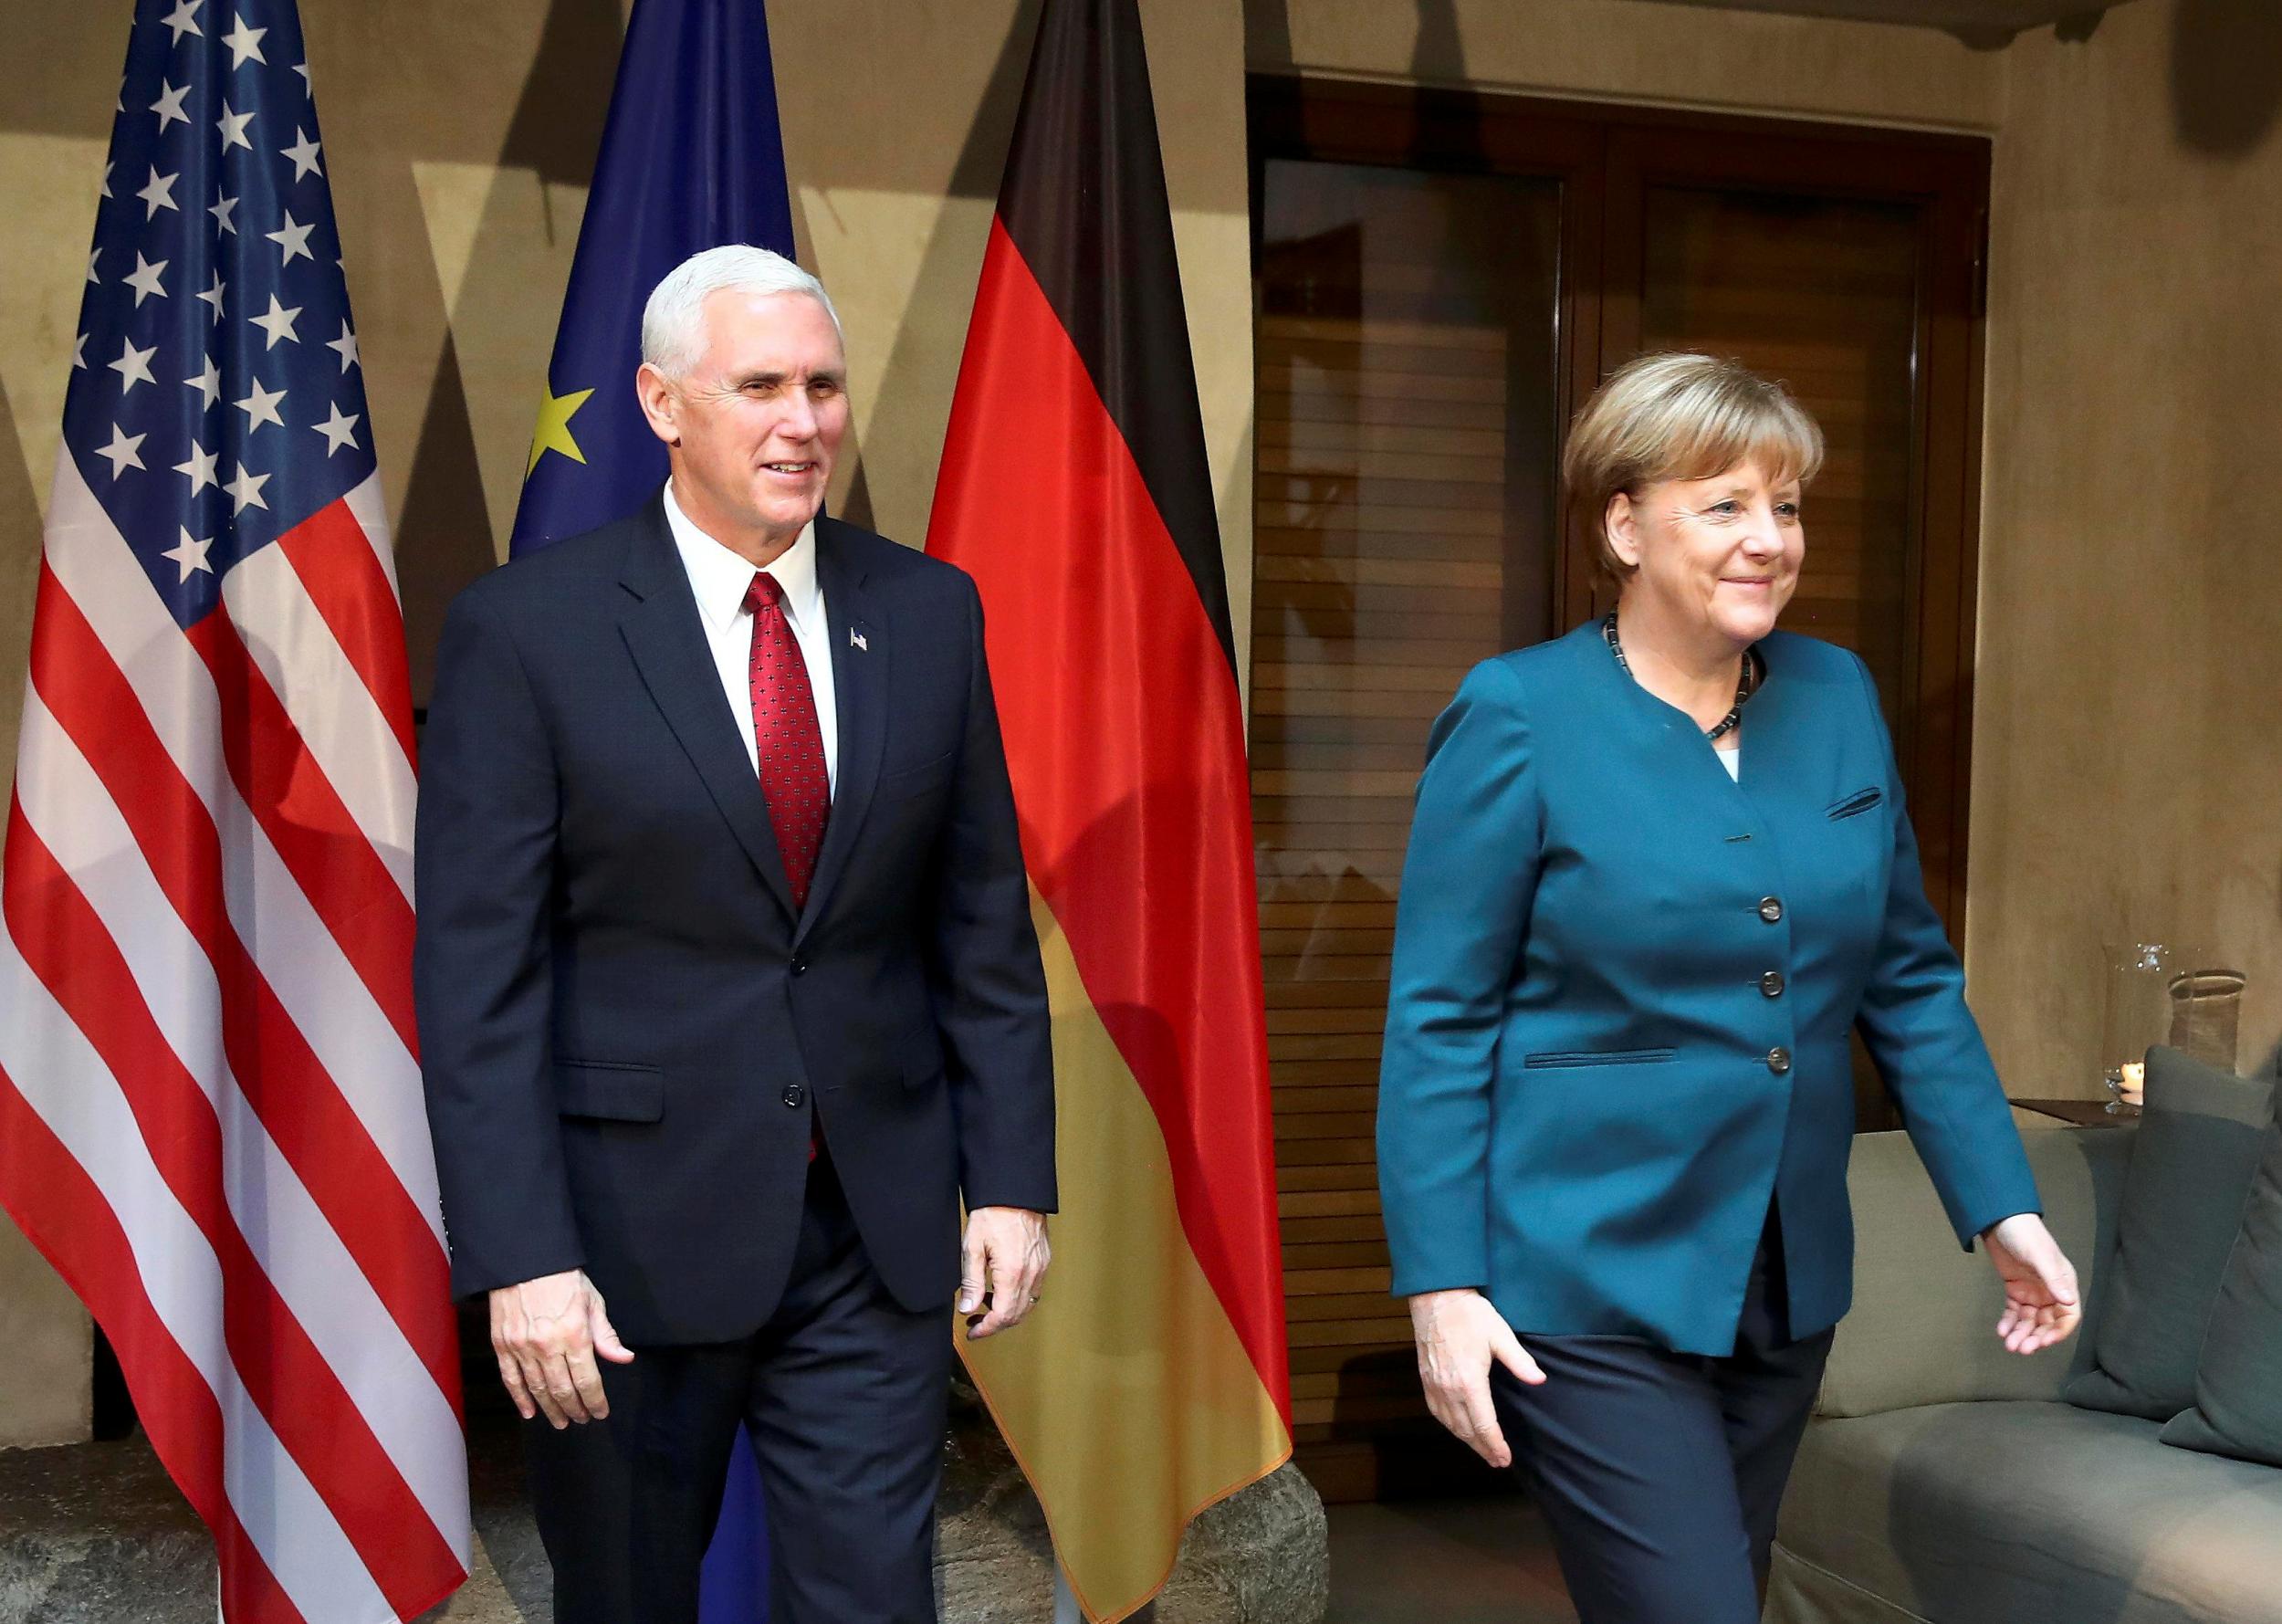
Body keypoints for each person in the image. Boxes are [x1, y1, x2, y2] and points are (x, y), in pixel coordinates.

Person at [1376, 351, 2081, 1622]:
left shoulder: (1839, 695)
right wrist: (1441, 1286)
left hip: (1783, 1279)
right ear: (1624, 524)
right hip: (1581, 1279)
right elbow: (1440, 1019)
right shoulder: (1519, 712)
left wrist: (2003, 1206)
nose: (1769, 540)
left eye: (1789, 506)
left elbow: (1908, 977)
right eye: (1724, 506)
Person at [414, 245, 1055, 1624]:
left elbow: (980, 920)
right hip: (622, 1253)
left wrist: (1009, 1176)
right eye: (760, 384)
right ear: (661, 404)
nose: (803, 421)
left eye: (823, 385)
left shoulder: (928, 612)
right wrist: (519, 1255)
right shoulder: (527, 631)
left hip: (870, 1230)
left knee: (875, 1605)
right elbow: (480, 981)